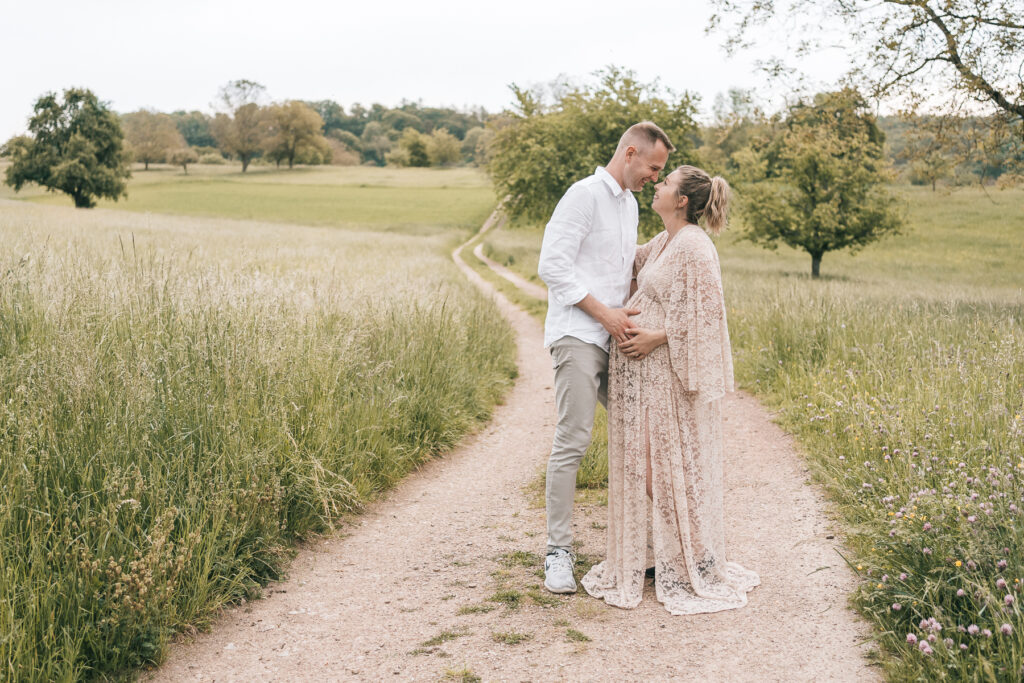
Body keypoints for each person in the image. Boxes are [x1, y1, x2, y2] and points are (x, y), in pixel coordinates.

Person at [580, 165, 760, 614]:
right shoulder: (665, 241)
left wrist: (656, 338)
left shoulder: (696, 246)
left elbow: (710, 316)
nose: (657, 186)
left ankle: (696, 553)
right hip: (646, 379)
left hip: (665, 376)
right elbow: (623, 257)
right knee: (648, 463)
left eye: (665, 183)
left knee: (661, 465)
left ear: (681, 200)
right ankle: (683, 549)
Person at [537, 122, 673, 594]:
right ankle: (558, 552)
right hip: (578, 333)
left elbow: (625, 272)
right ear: (630, 153)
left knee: (649, 433)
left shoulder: (630, 204)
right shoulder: (584, 195)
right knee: (573, 440)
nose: (656, 177)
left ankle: (677, 547)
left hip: (619, 340)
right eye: (653, 167)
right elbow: (552, 266)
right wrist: (605, 316)